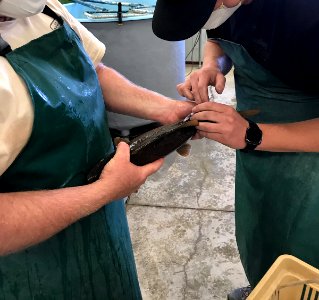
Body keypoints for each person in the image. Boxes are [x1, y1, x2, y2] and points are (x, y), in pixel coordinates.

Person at [0, 0, 194, 298]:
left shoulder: (42, 8)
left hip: (101, 220)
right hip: (32, 267)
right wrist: (102, 192)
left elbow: (94, 71)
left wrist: (169, 109)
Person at [152, 0, 319, 299]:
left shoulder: (308, 18)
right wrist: (210, 66)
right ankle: (266, 284)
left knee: (306, 243)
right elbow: (219, 34)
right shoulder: (226, 5)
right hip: (255, 136)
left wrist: (253, 134)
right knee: (263, 225)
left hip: (309, 144)